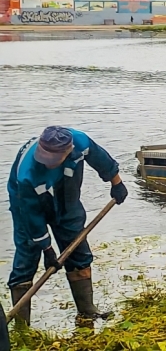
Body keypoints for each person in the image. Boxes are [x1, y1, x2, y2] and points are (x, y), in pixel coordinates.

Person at [7, 126, 128, 325]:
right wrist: (47, 249)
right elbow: (31, 215)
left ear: (67, 151)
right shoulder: (27, 174)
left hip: (67, 197)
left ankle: (87, 311)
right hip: (26, 204)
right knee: (27, 255)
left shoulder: (80, 142)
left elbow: (102, 160)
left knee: (78, 251)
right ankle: (22, 327)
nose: (46, 163)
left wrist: (116, 183)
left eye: (52, 160)